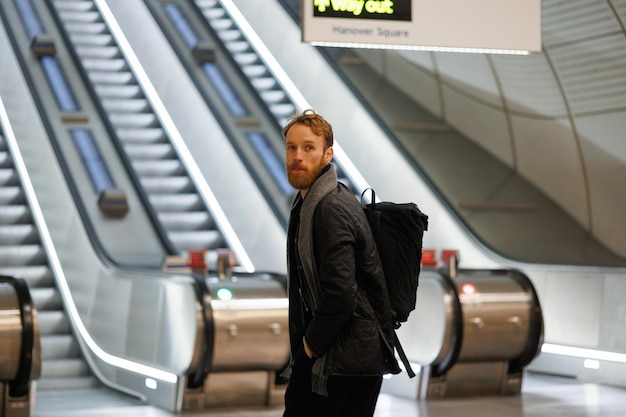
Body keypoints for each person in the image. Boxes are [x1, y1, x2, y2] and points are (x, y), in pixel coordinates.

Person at [282, 109, 400, 417]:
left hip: (340, 362)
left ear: (327, 154)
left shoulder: (329, 208)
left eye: (308, 147)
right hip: (353, 358)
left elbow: (341, 294)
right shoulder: (315, 202)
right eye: (291, 147)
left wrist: (308, 349)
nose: (297, 156)